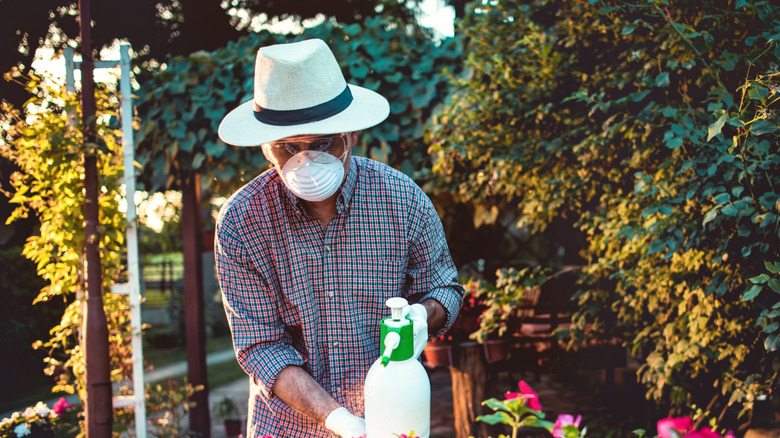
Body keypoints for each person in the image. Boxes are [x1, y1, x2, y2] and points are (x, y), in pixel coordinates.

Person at [214, 38, 464, 438]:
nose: (306, 159)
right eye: (287, 148)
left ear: (349, 135)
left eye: (322, 143)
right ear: (265, 149)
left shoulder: (403, 199)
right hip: (288, 428)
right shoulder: (242, 221)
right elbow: (260, 347)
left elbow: (445, 287)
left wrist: (422, 318)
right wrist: (340, 420)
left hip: (393, 420)